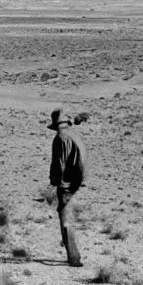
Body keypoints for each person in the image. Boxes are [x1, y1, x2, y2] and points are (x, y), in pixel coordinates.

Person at [48, 109, 86, 267]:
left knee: (65, 218)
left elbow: (59, 164)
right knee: (66, 214)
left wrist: (55, 181)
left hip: (66, 183)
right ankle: (73, 256)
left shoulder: (61, 138)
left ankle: (73, 257)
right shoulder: (74, 135)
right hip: (75, 181)